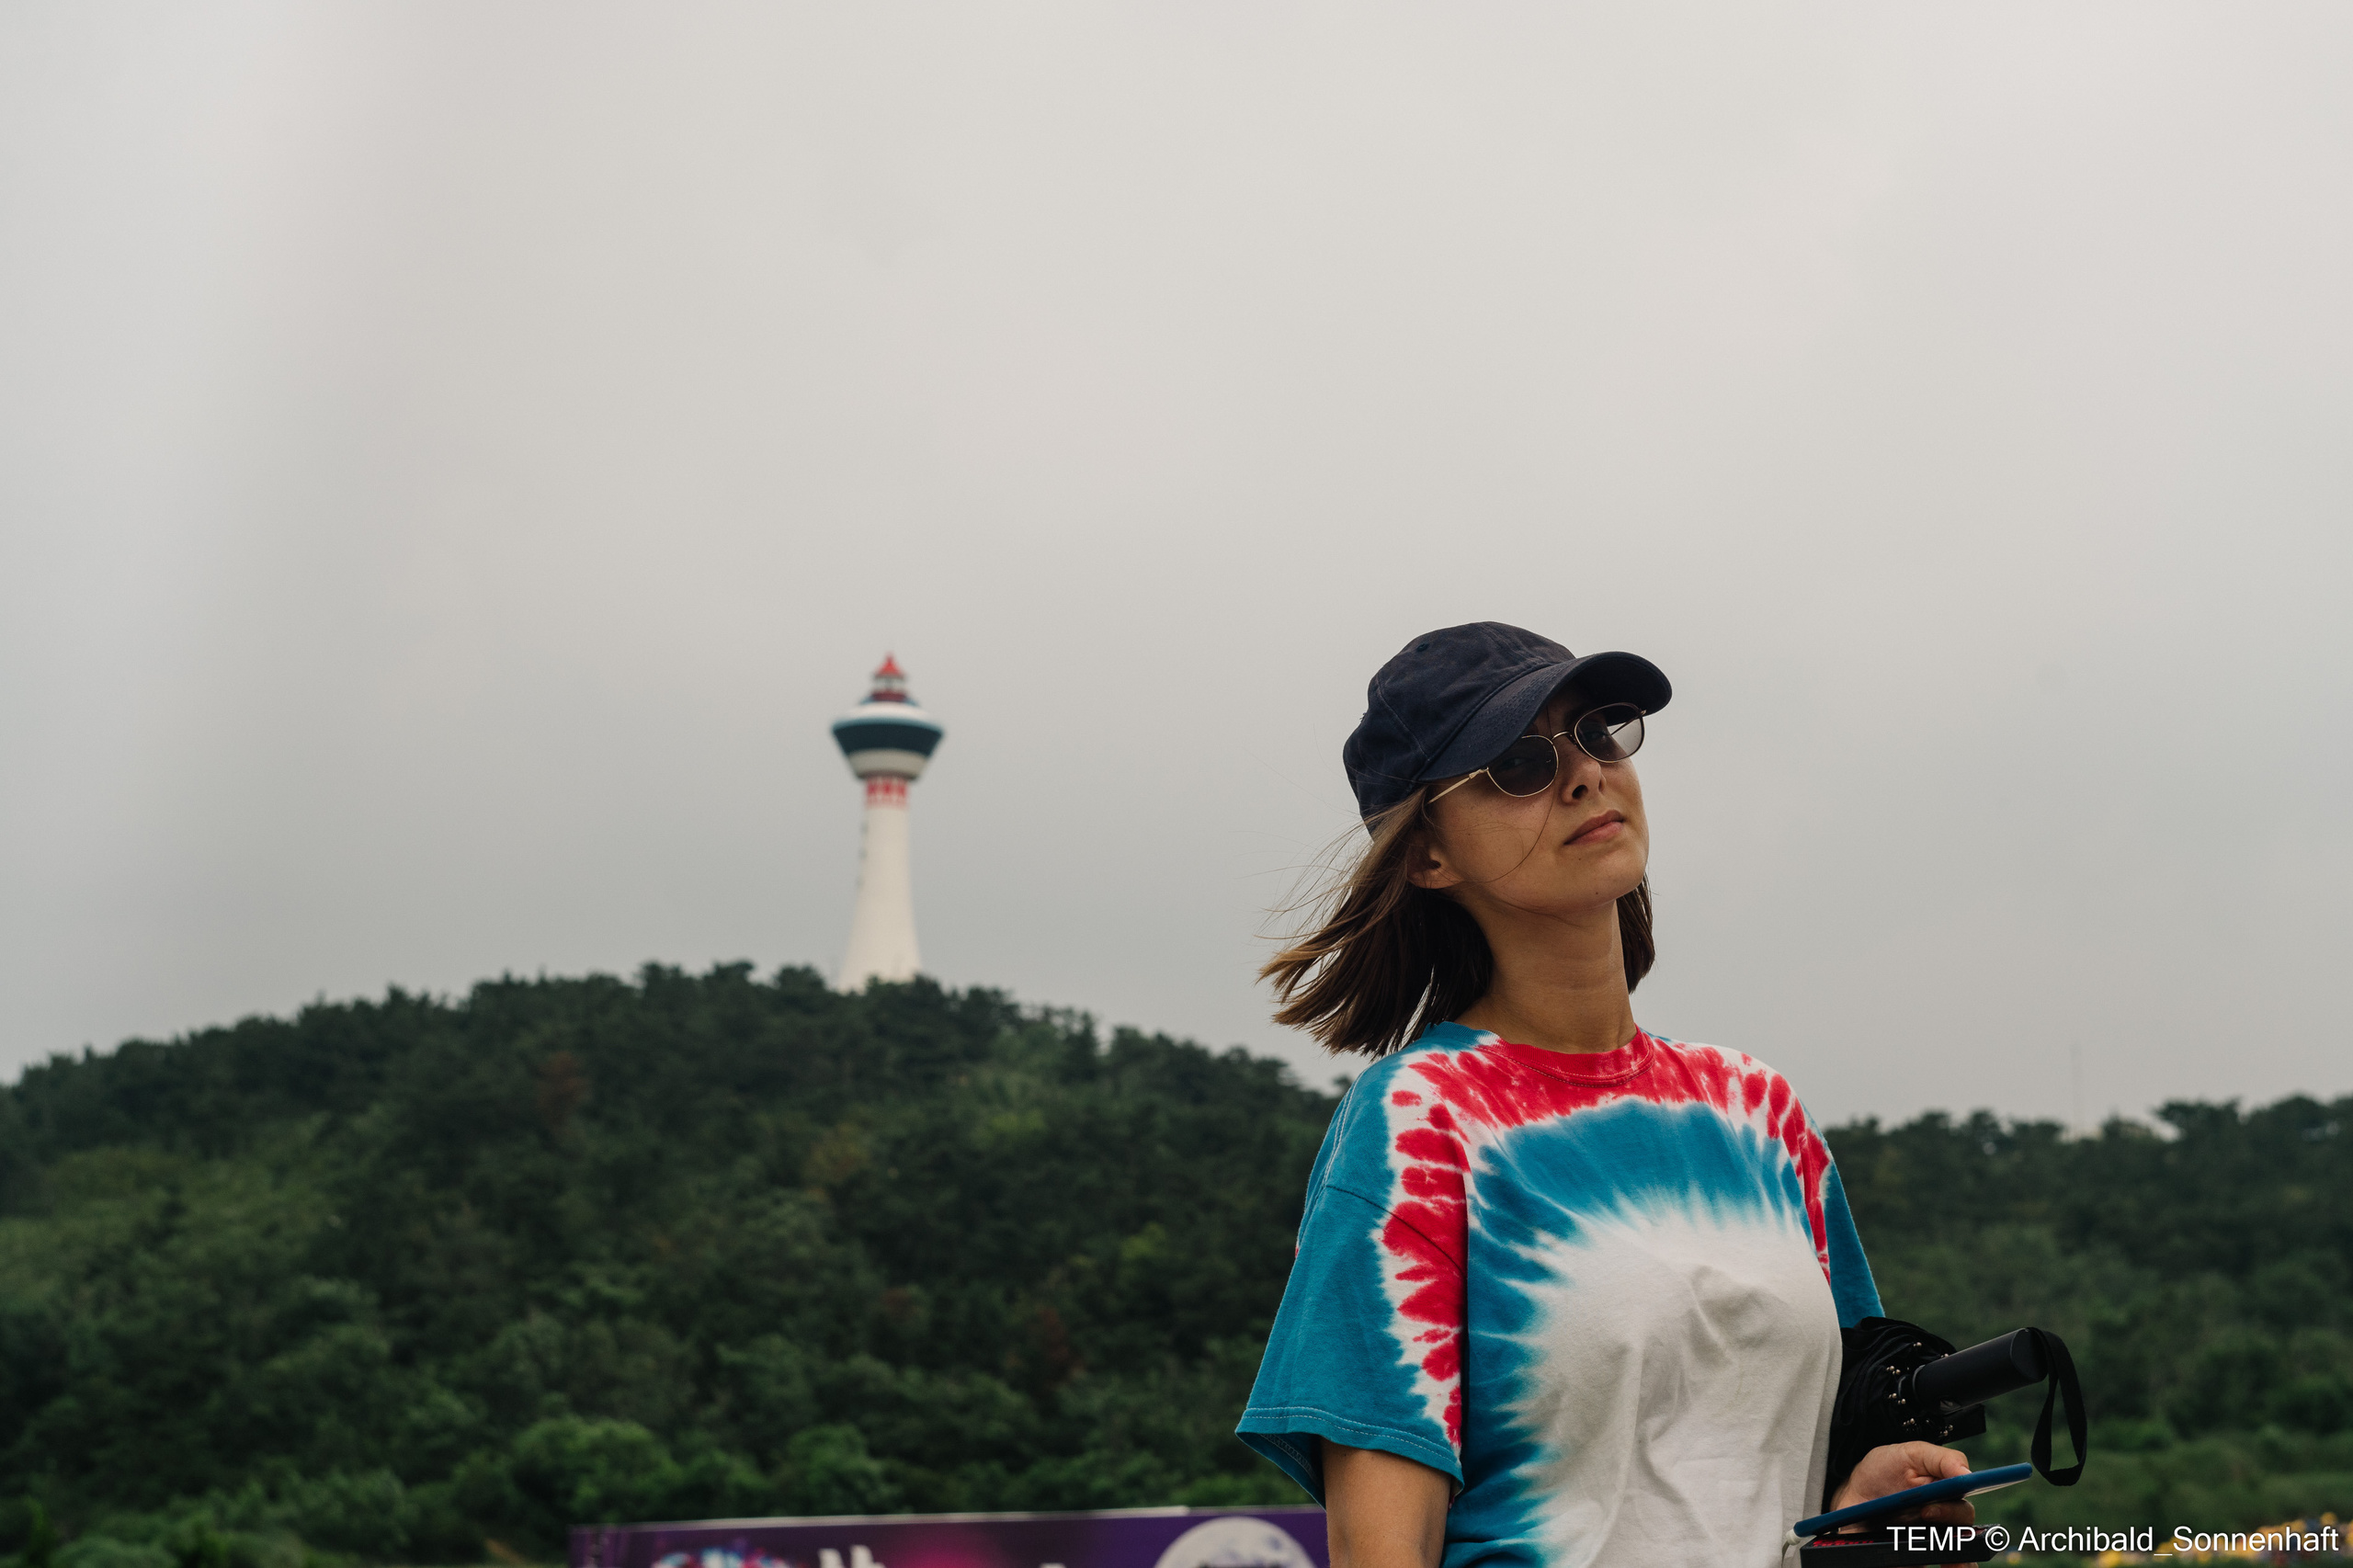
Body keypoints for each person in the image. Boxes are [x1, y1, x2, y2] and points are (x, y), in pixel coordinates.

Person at [1235, 623, 1973, 1568]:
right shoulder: (1420, 1125)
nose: (1582, 773)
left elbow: (1804, 1466)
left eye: (1596, 731)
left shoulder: (1757, 1111)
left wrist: (1863, 1505)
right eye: (1515, 763)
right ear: (1426, 855)